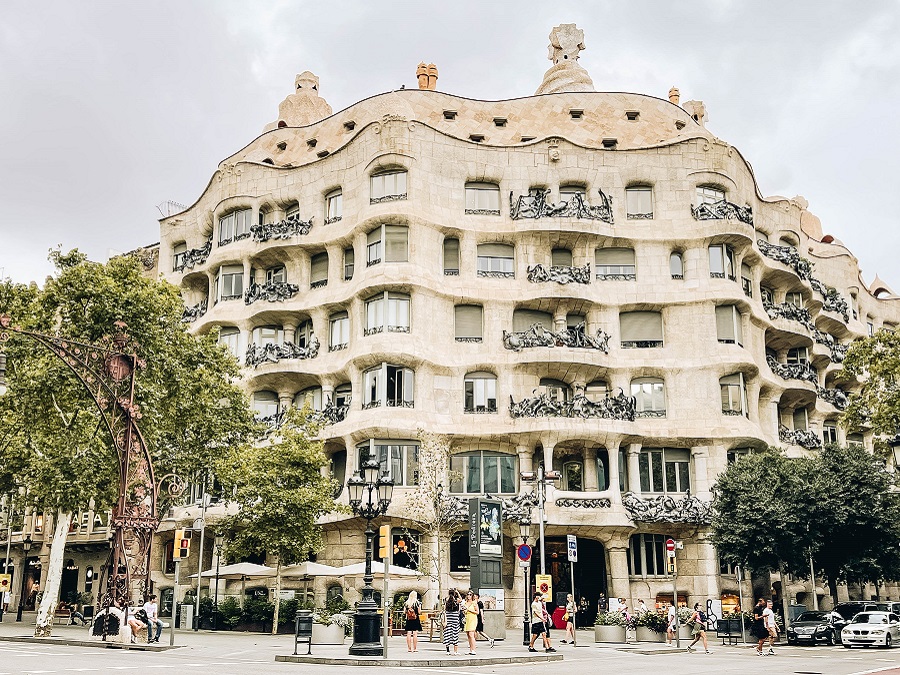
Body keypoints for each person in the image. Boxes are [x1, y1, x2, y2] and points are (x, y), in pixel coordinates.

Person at [443, 589, 460, 656]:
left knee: (447, 633)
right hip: (455, 618)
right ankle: (455, 651)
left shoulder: (446, 600)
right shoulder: (456, 600)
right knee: (455, 633)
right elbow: (460, 599)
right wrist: (457, 593)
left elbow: (444, 609)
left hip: (448, 617)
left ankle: (448, 651)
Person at [463, 590, 479, 655]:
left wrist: (469, 610)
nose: (469, 596)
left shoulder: (474, 603)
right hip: (467, 618)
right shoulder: (466, 603)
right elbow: (464, 611)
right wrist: (464, 611)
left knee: (471, 634)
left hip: (473, 618)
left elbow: (477, 612)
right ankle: (470, 649)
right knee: (468, 635)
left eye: (470, 595)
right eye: (468, 594)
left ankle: (474, 649)